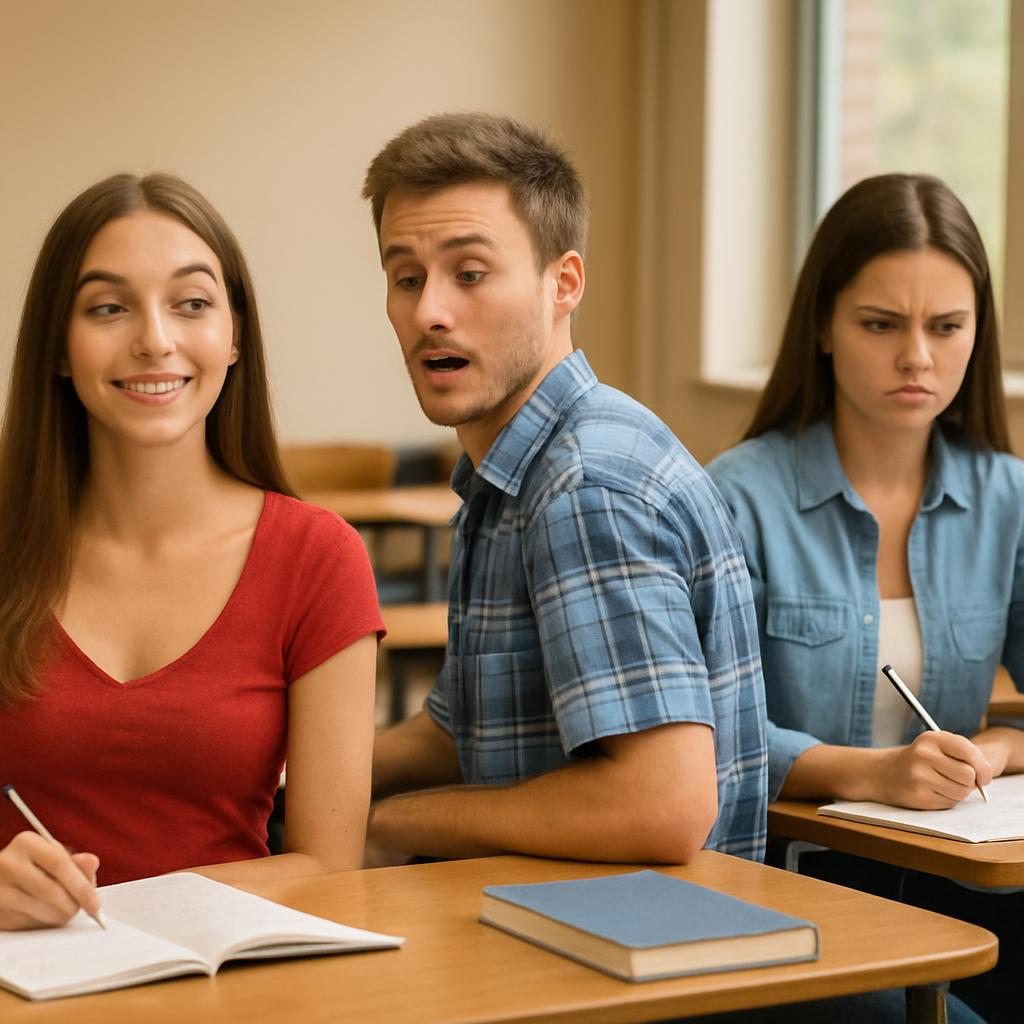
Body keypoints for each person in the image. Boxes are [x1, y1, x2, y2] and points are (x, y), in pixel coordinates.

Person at [361, 112, 767, 867]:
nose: (429, 313)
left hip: (649, 966)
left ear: (564, 284)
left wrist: (397, 824)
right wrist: (288, 773)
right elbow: (468, 731)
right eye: (406, 278)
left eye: (470, 274)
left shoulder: (585, 485)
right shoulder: (516, 471)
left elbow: (662, 807)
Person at [0, 173, 384, 930]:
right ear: (57, 349)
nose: (154, 338)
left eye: (192, 303)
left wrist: (134, 912)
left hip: (231, 983)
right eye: (108, 307)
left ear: (234, 336)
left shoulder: (319, 558)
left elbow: (331, 867)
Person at [707, 172, 1024, 1022]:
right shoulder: (737, 498)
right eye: (881, 325)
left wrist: (990, 754)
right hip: (788, 897)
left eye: (946, 327)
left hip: (958, 884)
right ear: (823, 325)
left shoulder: (1009, 498)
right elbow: (710, 739)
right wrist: (878, 774)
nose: (917, 357)